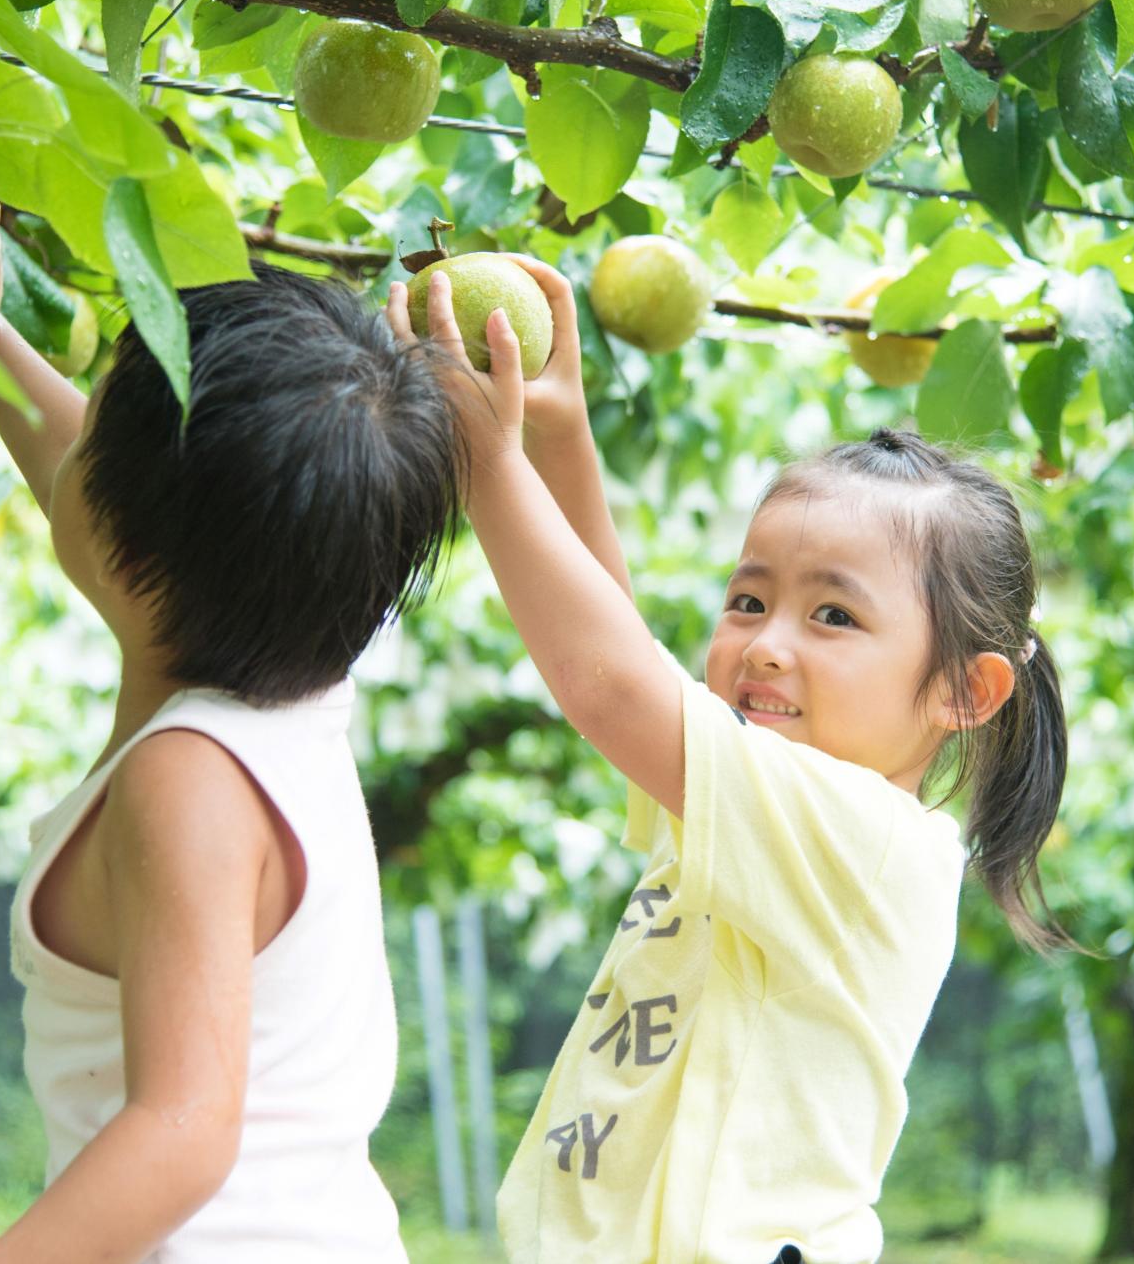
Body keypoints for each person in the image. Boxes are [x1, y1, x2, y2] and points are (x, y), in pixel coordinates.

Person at [389, 261, 1070, 1263]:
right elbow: (620, 648)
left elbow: (612, 687)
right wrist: (557, 435)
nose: (765, 645)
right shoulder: (757, 804)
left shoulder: (866, 837)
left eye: (832, 615)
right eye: (748, 601)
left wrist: (487, 460)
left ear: (963, 692)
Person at [0, 172, 462, 1263]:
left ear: (124, 541)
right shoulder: (290, 680)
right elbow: (108, 487)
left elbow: (182, 1134)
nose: (71, 432)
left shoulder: (187, 781)